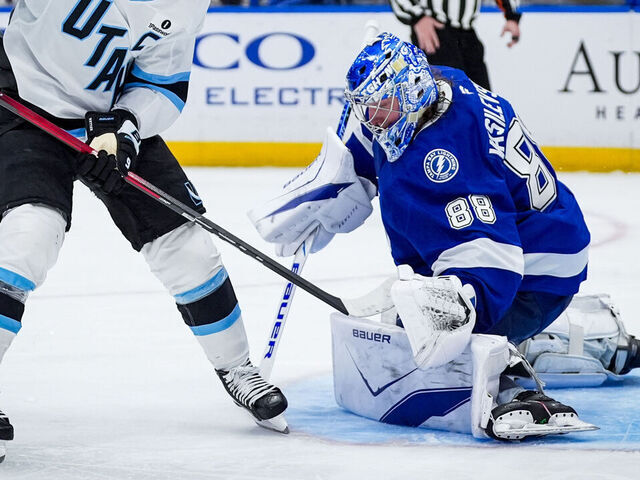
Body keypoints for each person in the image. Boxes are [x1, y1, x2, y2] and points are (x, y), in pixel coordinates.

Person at [249, 33, 640, 440]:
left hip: (536, 271)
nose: (372, 119)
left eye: (381, 108)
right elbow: (371, 138)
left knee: (447, 349)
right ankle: (596, 338)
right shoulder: (439, 85)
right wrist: (338, 179)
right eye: (366, 109)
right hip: (542, 234)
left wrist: (456, 308)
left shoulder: (448, 160)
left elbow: (494, 265)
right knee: (418, 324)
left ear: (411, 89)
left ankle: (519, 380)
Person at [0, 0, 287, 462]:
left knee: (188, 249)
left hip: (106, 121)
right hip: (23, 104)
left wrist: (128, 125)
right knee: (28, 238)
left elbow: (163, 82)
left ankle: (237, 369)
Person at [389, 0, 521, 90]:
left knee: (483, 105)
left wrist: (510, 14)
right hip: (435, 32)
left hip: (468, 35)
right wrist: (417, 16)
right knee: (447, 106)